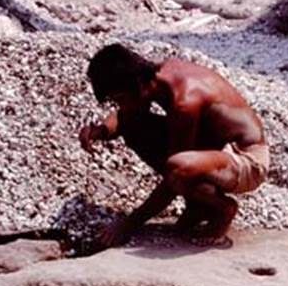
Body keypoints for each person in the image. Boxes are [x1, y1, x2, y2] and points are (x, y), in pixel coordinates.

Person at [79, 43, 269, 248]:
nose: (120, 106)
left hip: (247, 161)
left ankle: (223, 209)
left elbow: (175, 174)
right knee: (133, 124)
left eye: (120, 99)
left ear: (139, 85)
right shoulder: (157, 76)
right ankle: (198, 206)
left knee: (177, 168)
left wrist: (129, 223)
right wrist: (102, 131)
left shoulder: (185, 102)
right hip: (214, 147)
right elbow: (124, 116)